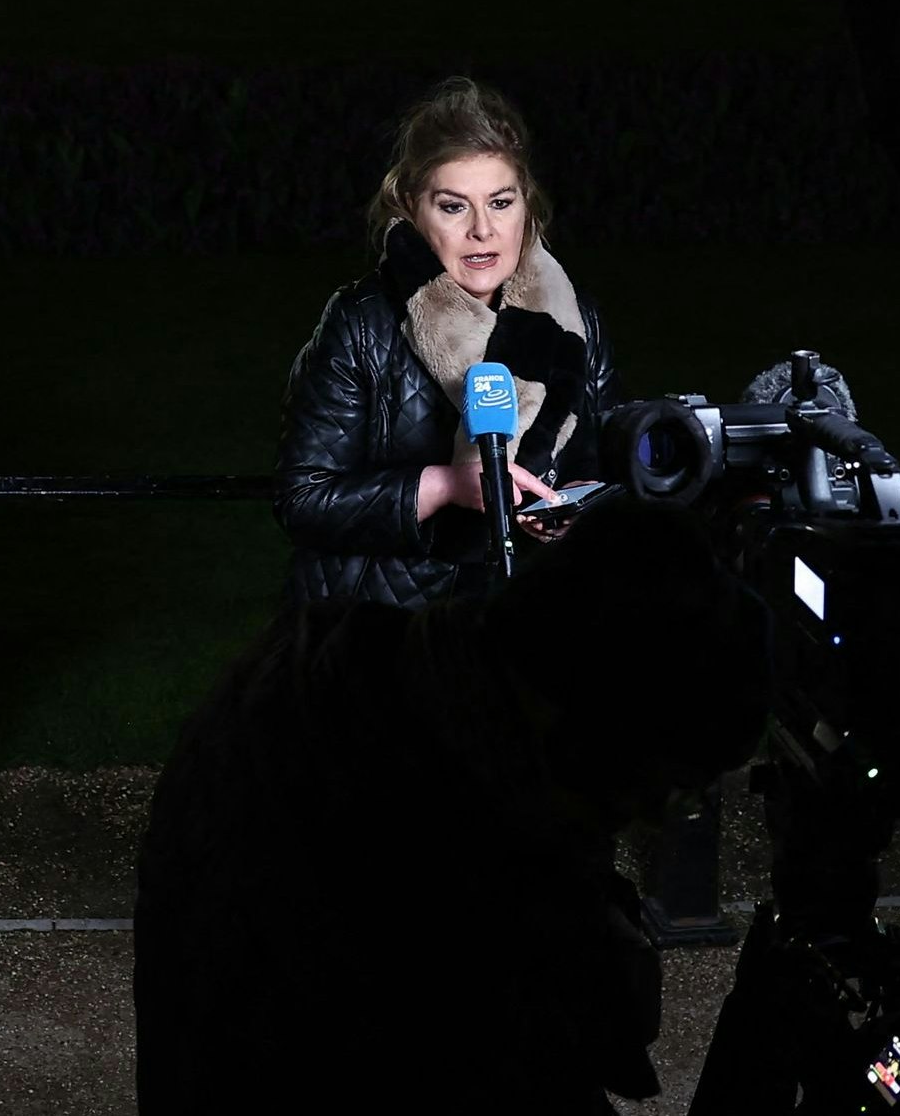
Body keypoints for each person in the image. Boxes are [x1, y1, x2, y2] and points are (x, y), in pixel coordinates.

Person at [135, 499, 777, 1113]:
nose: (657, 815)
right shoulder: (442, 855)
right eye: (659, 784)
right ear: (582, 733)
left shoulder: (326, 677)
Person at [275, 76, 614, 608]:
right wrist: (445, 486)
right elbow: (305, 498)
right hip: (381, 628)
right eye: (454, 207)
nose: (483, 230)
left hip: (528, 616)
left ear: (526, 203)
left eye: (501, 202)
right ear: (411, 207)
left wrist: (564, 514)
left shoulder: (575, 322)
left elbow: (598, 475)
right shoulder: (364, 322)